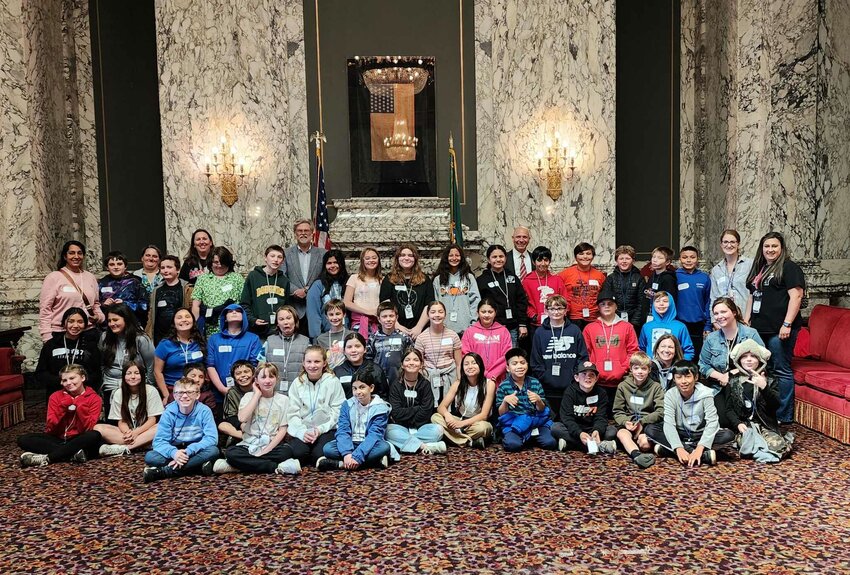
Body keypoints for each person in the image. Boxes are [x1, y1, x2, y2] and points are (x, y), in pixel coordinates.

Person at [744, 231, 805, 425]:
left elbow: (796, 297)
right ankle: (767, 411)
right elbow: (752, 297)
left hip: (780, 330)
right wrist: (746, 321)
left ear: (781, 248)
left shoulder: (789, 267)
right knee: (765, 369)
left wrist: (787, 324)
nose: (770, 250)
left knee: (781, 370)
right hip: (759, 329)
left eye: (774, 246)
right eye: (767, 246)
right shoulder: (760, 268)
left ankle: (783, 416)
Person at [214, 362, 300, 475]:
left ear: (277, 379)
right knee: (231, 453)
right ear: (256, 380)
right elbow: (242, 418)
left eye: (271, 377)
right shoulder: (248, 397)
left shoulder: (284, 400)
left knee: (286, 452)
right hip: (249, 444)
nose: (268, 381)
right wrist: (256, 395)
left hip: (271, 444)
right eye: (263, 377)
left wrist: (266, 450)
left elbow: (282, 430)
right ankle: (274, 467)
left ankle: (240, 466)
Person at [645, 360, 735, 467]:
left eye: (687, 376)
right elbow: (669, 423)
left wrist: (700, 448)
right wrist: (679, 448)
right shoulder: (670, 394)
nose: (683, 381)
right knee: (650, 429)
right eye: (679, 377)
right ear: (674, 379)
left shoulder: (706, 393)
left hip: (699, 434)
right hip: (681, 433)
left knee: (728, 435)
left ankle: (670, 451)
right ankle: (701, 455)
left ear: (696, 378)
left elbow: (712, 422)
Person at [718, 340, 793, 460]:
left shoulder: (770, 380)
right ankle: (762, 450)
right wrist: (738, 424)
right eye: (744, 356)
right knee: (747, 447)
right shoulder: (732, 381)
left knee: (777, 445)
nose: (749, 359)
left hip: (765, 425)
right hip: (745, 425)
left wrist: (764, 387)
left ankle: (778, 446)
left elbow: (776, 405)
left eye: (753, 356)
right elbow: (729, 409)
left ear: (760, 360)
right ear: (738, 361)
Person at [18, 364, 102, 467]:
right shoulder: (55, 397)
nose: (68, 383)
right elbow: (50, 428)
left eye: (72, 378)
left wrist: (80, 407)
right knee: (24, 439)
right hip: (58, 438)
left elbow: (88, 427)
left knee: (95, 435)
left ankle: (48, 458)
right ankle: (72, 454)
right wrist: (62, 408)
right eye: (64, 380)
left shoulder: (95, 398)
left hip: (79, 438)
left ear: (83, 378)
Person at [143, 377, 219, 483]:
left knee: (213, 451)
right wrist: (174, 453)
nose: (184, 396)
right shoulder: (168, 412)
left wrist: (188, 452)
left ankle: (163, 472)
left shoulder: (205, 411)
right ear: (174, 396)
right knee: (150, 457)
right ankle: (197, 467)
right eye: (180, 393)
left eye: (189, 392)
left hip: (196, 449)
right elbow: (159, 442)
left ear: (197, 395)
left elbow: (211, 439)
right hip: (174, 449)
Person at [317, 369, 394, 470]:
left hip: (369, 443)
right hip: (351, 442)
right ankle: (373, 463)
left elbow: (374, 435)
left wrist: (358, 456)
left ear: (371, 388)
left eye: (362, 387)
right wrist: (347, 454)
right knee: (328, 448)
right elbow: (343, 430)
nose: (358, 392)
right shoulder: (347, 405)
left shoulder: (380, 408)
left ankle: (340, 464)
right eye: (354, 388)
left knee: (384, 447)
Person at [285, 346, 346, 465]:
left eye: (317, 361)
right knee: (298, 453)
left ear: (324, 363)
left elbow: (338, 411)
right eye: (309, 361)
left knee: (319, 453)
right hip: (304, 429)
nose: (312, 366)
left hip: (326, 429)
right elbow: (292, 413)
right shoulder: (297, 383)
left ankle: (319, 457)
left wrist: (320, 429)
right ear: (303, 363)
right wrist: (301, 432)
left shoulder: (332, 381)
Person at [530, 294, 588, 418]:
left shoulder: (575, 330)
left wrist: (575, 376)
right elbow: (535, 360)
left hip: (571, 385)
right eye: (552, 309)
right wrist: (545, 376)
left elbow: (582, 357)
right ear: (546, 311)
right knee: (550, 420)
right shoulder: (539, 332)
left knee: (569, 419)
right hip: (547, 387)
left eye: (560, 308)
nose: (556, 312)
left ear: (566, 310)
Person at [385, 347, 447, 455]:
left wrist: (408, 413)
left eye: (415, 360)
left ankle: (408, 444)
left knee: (438, 429)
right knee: (388, 430)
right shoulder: (396, 385)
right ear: (402, 364)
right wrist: (417, 409)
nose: (411, 363)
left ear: (421, 364)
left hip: (421, 428)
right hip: (401, 427)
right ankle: (425, 446)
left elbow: (426, 412)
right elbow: (396, 413)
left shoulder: (425, 384)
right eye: (408, 360)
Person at [39, 240, 104, 341]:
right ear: (65, 256)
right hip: (61, 332)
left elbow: (95, 304)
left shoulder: (90, 277)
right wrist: (46, 336)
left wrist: (99, 317)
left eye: (80, 253)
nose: (76, 256)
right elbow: (45, 309)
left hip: (88, 332)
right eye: (71, 253)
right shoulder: (54, 277)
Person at [95, 362, 164, 456]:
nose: (133, 376)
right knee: (98, 427)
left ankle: (125, 448)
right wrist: (128, 433)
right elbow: (121, 421)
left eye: (136, 373)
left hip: (145, 430)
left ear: (142, 375)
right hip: (127, 433)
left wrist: (136, 433)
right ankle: (143, 443)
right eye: (129, 373)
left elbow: (152, 419)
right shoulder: (118, 393)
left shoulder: (151, 390)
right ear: (124, 376)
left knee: (161, 427)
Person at [582, 292, 639, 407]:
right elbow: (585, 352)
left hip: (621, 380)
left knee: (619, 413)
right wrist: (593, 369)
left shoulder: (627, 327)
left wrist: (623, 368)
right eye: (603, 304)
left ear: (616, 306)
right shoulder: (589, 328)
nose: (606, 306)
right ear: (598, 307)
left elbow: (633, 351)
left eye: (610, 304)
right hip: (596, 381)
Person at [495, 347, 556, 452]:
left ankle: (527, 437)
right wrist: (505, 401)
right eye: (514, 364)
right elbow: (501, 414)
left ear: (527, 365)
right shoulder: (503, 386)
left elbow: (542, 410)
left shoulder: (535, 383)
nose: (519, 366)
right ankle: (520, 438)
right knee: (512, 445)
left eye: (522, 363)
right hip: (514, 424)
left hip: (535, 423)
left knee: (550, 443)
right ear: (508, 368)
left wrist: (538, 400)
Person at [612, 352, 664, 468]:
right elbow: (618, 411)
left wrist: (643, 421)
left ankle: (629, 445)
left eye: (644, 368)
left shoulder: (656, 387)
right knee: (622, 433)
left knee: (645, 445)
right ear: (631, 369)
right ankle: (636, 456)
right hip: (629, 423)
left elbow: (661, 411)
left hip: (646, 423)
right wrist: (626, 422)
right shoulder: (623, 386)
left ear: (649, 370)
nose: (640, 372)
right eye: (636, 368)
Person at [432, 352, 495, 447]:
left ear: (480, 366)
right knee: (435, 417)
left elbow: (484, 415)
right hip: (460, 420)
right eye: (466, 364)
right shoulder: (458, 384)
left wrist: (460, 424)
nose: (470, 366)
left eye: (474, 363)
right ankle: (469, 442)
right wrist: (447, 415)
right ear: (462, 368)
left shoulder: (489, 384)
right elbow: (441, 407)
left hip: (476, 423)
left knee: (483, 428)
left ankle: (454, 438)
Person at [552, 361, 617, 454]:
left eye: (592, 374)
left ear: (596, 378)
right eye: (584, 374)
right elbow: (567, 417)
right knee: (555, 428)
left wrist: (597, 430)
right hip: (575, 429)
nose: (588, 377)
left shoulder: (601, 393)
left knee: (612, 431)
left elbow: (601, 417)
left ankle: (571, 444)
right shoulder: (570, 392)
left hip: (592, 428)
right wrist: (579, 433)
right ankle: (600, 445)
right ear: (576, 377)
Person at [699, 297, 764, 389]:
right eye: (716, 314)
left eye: (723, 312)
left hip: (747, 384)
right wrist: (721, 377)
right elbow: (703, 364)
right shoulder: (711, 338)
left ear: (734, 312)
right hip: (718, 387)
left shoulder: (751, 334)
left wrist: (732, 374)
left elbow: (762, 360)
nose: (719, 316)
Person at [100, 303, 155, 411]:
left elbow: (151, 366)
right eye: (109, 321)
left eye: (115, 320)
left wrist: (147, 388)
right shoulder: (105, 337)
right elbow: (102, 364)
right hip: (111, 386)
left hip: (136, 387)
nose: (112, 324)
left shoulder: (141, 339)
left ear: (126, 319)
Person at [36, 307, 101, 397]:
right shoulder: (51, 344)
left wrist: (78, 383)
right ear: (64, 323)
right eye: (71, 321)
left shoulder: (91, 346)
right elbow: (41, 373)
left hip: (83, 394)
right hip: (57, 393)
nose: (75, 325)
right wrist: (63, 381)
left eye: (80, 322)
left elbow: (97, 373)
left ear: (85, 325)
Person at [206, 304, 262, 408]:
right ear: (225, 318)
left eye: (238, 311)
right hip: (219, 392)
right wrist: (221, 388)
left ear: (244, 316)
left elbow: (255, 365)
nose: (234, 312)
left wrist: (244, 386)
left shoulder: (253, 339)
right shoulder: (214, 339)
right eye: (230, 311)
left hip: (246, 392)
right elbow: (210, 365)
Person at [477, 244, 529, 346]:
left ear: (505, 258)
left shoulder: (513, 277)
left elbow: (521, 300)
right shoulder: (481, 280)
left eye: (501, 256)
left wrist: (522, 324)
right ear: (488, 259)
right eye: (494, 257)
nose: (498, 260)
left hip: (512, 327)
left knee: (511, 357)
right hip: (491, 327)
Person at [282, 219, 327, 336]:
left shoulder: (323, 253)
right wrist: (295, 290)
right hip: (294, 308)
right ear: (295, 233)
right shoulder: (285, 254)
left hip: (318, 307)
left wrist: (308, 290)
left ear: (312, 233)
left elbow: (325, 276)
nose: (303, 233)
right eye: (299, 230)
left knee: (317, 343)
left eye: (306, 230)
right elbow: (282, 276)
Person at [414, 301, 462, 408]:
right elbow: (419, 365)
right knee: (431, 408)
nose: (437, 315)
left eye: (440, 312)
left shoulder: (453, 335)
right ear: (428, 315)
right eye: (433, 312)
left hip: (450, 376)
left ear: (445, 314)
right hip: (429, 378)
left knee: (451, 407)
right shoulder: (421, 338)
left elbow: (459, 363)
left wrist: (459, 381)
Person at [378, 243, 433, 337]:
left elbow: (428, 305)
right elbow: (385, 305)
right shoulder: (389, 279)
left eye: (410, 255)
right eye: (403, 255)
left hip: (420, 330)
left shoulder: (425, 279)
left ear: (415, 259)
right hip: (395, 329)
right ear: (397, 259)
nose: (406, 258)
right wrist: (398, 327)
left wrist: (418, 327)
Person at [153, 307, 206, 401]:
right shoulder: (165, 344)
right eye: (179, 317)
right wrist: (166, 395)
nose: (184, 319)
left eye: (187, 317)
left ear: (193, 321)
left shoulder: (199, 341)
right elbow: (157, 372)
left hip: (196, 390)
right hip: (173, 390)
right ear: (174, 323)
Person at [192, 246, 244, 337]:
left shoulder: (237, 278)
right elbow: (196, 305)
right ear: (211, 262)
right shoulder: (203, 279)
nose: (219, 265)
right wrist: (196, 327)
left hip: (231, 326)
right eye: (216, 262)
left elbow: (244, 303)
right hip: (208, 326)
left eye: (222, 262)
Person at [240, 244, 290, 337]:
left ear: (282, 261)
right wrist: (252, 319)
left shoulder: (284, 280)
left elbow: (287, 306)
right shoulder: (253, 276)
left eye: (279, 257)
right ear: (265, 258)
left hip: (277, 331)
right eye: (272, 256)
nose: (276, 260)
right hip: (256, 330)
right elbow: (244, 303)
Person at [432, 243, 481, 335]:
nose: (454, 258)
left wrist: (473, 324)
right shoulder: (438, 280)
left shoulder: (469, 277)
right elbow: (435, 303)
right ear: (446, 258)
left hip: (466, 328)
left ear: (461, 258)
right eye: (451, 255)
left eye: (457, 255)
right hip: (444, 328)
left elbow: (476, 301)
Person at [461, 299, 512, 385]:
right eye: (483, 312)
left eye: (490, 312)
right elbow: (465, 354)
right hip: (475, 377)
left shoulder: (503, 331)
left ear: (495, 312)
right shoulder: (469, 331)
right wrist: (483, 373)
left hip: (497, 378)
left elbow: (507, 355)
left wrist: (493, 373)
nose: (487, 315)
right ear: (477, 313)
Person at [261, 305, 310, 394]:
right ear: (277, 323)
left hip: (300, 392)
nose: (285, 322)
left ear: (295, 320)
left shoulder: (306, 342)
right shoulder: (269, 341)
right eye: (281, 319)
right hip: (273, 393)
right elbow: (260, 367)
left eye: (288, 318)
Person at [557, 242, 606, 329]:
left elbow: (604, 297)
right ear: (576, 257)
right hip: (572, 318)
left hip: (594, 318)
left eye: (588, 253)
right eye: (581, 254)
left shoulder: (600, 276)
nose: (585, 257)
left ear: (593, 256)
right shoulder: (564, 274)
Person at [675, 246, 712, 357]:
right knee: (679, 354)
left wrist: (708, 325)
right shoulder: (674, 276)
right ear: (680, 259)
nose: (688, 260)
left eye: (692, 257)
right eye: (685, 257)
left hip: (698, 324)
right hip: (679, 322)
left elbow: (708, 302)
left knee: (696, 355)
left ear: (697, 259)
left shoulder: (704, 277)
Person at [146, 255, 191, 345]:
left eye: (169, 267)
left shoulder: (187, 288)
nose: (165, 270)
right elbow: (151, 314)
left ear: (177, 270)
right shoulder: (156, 290)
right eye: (162, 268)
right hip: (160, 336)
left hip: (180, 334)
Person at [365, 302, 413, 387]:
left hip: (400, 380)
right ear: (379, 319)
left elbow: (410, 358)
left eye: (391, 316)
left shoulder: (404, 338)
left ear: (396, 317)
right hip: (378, 381)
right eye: (384, 316)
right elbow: (368, 361)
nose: (388, 319)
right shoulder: (372, 339)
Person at [604, 245, 648, 335]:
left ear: (633, 260)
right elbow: (606, 301)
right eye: (621, 258)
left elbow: (642, 302)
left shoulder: (639, 279)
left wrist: (634, 323)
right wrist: (613, 318)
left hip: (635, 322)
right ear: (616, 260)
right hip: (614, 320)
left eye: (627, 258)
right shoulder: (610, 278)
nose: (624, 261)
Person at [522, 246, 567, 333]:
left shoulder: (557, 280)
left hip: (556, 322)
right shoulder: (527, 281)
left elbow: (565, 300)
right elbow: (524, 302)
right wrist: (533, 315)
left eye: (546, 260)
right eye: (539, 260)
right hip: (535, 324)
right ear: (533, 262)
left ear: (549, 261)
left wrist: (562, 313)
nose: (543, 263)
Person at [638, 291, 695, 360]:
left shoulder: (680, 327)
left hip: (673, 368)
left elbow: (689, 352)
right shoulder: (647, 327)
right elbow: (641, 350)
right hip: (651, 368)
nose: (661, 304)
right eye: (657, 301)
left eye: (665, 301)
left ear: (671, 304)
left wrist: (679, 367)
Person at [307, 250, 349, 340]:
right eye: (329, 263)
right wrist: (317, 338)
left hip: (346, 334)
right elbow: (313, 314)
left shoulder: (349, 283)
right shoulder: (317, 285)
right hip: (325, 335)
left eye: (336, 262)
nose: (332, 266)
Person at [709, 229, 753, 314]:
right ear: (721, 245)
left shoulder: (750, 265)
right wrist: (714, 320)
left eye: (732, 242)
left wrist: (749, 319)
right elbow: (713, 297)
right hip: (723, 319)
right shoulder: (716, 270)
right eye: (725, 242)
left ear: (738, 244)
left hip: (745, 317)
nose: (729, 245)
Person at [99, 251, 147, 326]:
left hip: (132, 325)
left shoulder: (135, 281)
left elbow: (144, 306)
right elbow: (95, 305)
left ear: (125, 266)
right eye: (112, 264)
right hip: (109, 326)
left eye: (119, 264)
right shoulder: (102, 283)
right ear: (106, 267)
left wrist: (126, 304)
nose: (116, 267)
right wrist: (103, 304)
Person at [333, 332, 388, 399]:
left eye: (357, 346)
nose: (353, 350)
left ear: (365, 349)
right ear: (344, 351)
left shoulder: (376, 369)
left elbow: (384, 396)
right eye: (349, 347)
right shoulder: (337, 371)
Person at [344, 247, 383, 338]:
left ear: (378, 260)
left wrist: (377, 312)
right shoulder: (354, 278)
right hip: (359, 322)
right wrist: (367, 312)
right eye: (367, 258)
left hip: (379, 322)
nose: (371, 260)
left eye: (374, 258)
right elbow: (346, 302)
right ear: (362, 261)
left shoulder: (382, 280)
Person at [216, 360, 255, 447]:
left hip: (259, 422)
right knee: (222, 425)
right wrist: (242, 425)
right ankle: (246, 437)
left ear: (253, 374)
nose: (243, 375)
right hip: (241, 426)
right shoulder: (232, 393)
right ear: (234, 377)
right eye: (238, 373)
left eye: (246, 371)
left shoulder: (260, 389)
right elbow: (230, 416)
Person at [315, 299, 348, 369]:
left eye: (338, 314)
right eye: (331, 314)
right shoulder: (321, 339)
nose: (334, 318)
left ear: (344, 315)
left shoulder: (351, 336)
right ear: (326, 316)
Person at [643, 246, 678, 310]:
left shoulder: (668, 278)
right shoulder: (652, 276)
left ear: (667, 262)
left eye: (660, 258)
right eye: (653, 257)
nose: (655, 260)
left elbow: (669, 300)